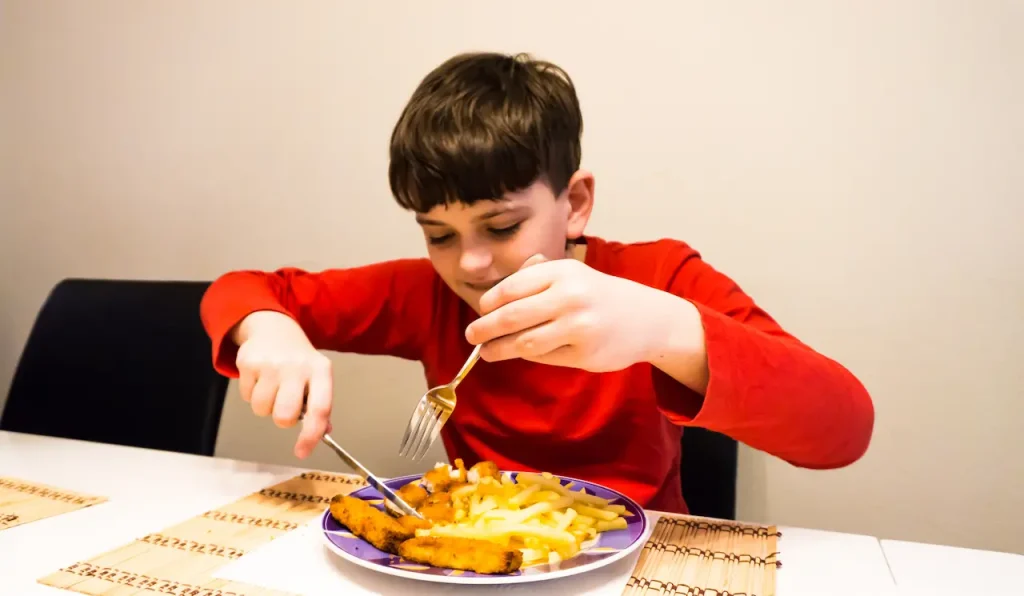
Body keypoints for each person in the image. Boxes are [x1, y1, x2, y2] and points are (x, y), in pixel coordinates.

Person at [199, 51, 874, 514]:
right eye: (438, 233)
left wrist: (667, 331)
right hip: (477, 558)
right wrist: (266, 329)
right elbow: (244, 287)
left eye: (500, 227)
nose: (467, 264)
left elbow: (843, 430)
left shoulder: (656, 277)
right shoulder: (425, 295)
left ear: (574, 203)